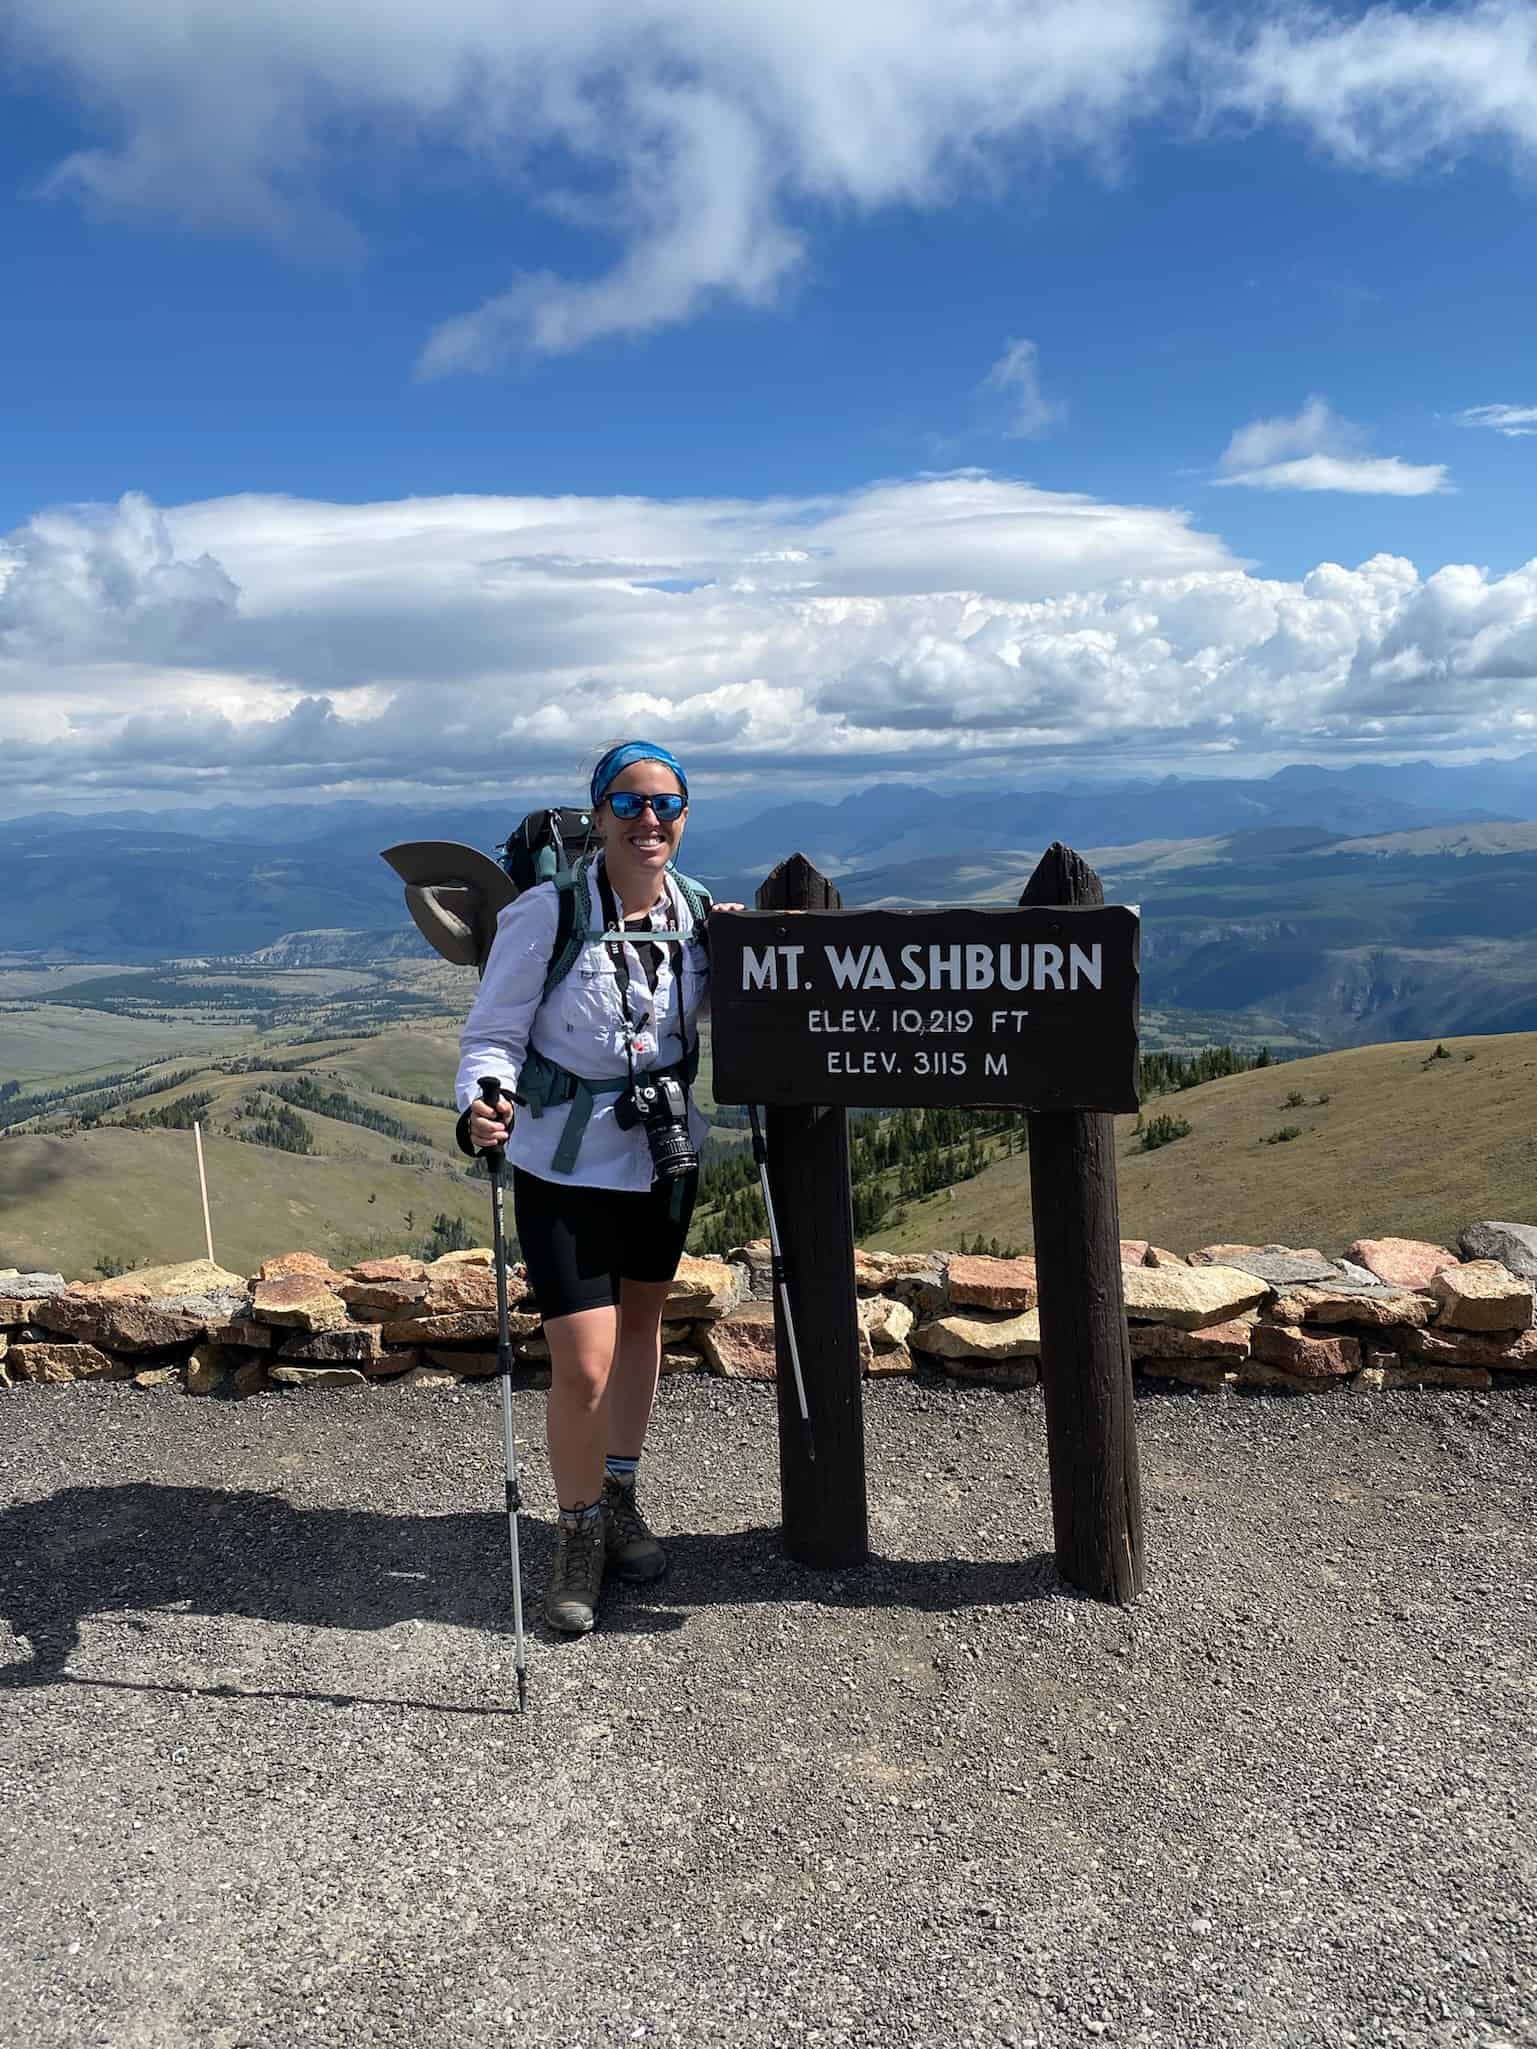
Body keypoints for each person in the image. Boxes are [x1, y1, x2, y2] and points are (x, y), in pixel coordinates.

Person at [456, 741, 739, 1636]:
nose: (648, 820)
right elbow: (492, 1032)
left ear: (685, 814)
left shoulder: (696, 914)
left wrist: (747, 955)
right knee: (583, 1360)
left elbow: (706, 1019)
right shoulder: (547, 912)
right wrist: (482, 1103)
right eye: (629, 803)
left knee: (645, 1326)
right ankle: (576, 1533)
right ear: (599, 814)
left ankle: (617, 1497)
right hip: (562, 1160)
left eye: (666, 803)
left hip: (659, 1155)